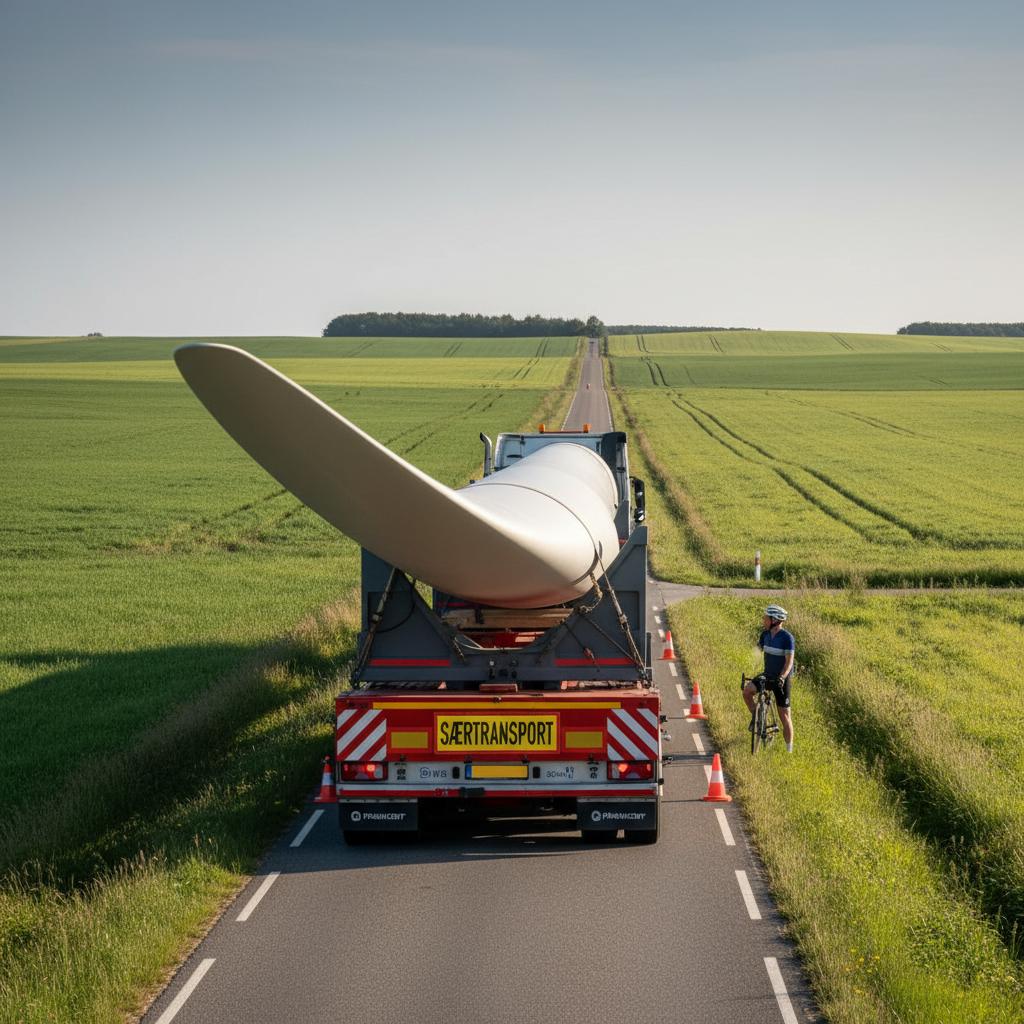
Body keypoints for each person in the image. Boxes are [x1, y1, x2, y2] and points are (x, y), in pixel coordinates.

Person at [743, 604, 795, 752]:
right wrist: (753, 661)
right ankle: (758, 717)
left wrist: (783, 677)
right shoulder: (765, 635)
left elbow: (789, 661)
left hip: (781, 680)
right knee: (747, 691)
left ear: (775, 620)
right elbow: (758, 651)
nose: (763, 619)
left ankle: (788, 750)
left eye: (766, 617)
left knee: (785, 716)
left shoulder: (787, 638)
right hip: (767, 675)